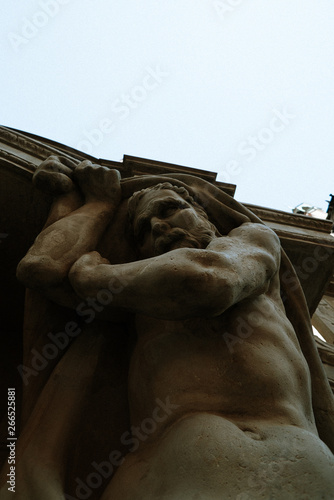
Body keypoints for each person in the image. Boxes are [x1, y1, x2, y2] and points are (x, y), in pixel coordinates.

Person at [5, 157, 334, 499]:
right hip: (141, 478)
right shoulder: (136, 305)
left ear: (204, 214)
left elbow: (211, 282)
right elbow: (40, 268)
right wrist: (98, 204)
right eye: (143, 229)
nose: (158, 227)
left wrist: (92, 276)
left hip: (255, 465)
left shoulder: (249, 243)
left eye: (168, 209)